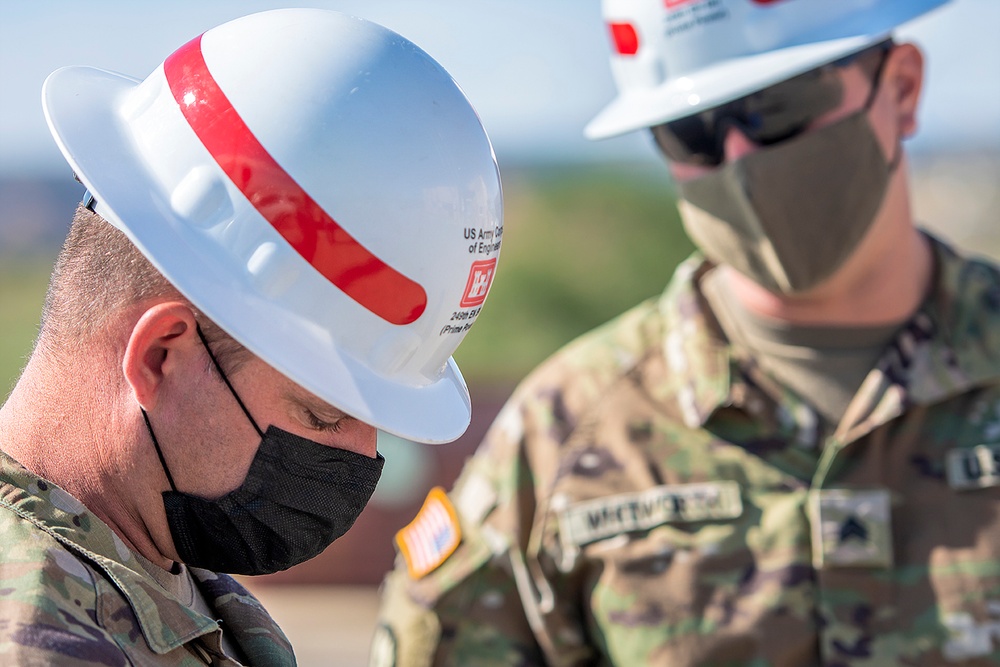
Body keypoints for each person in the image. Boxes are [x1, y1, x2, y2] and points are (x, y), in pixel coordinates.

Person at [371, 0, 1000, 664]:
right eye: (692, 131)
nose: (738, 158)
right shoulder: (565, 432)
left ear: (900, 88)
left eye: (776, 109)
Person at [0, 7, 502, 665]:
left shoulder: (158, 576)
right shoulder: (35, 636)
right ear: (160, 355)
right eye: (323, 412)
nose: (363, 456)